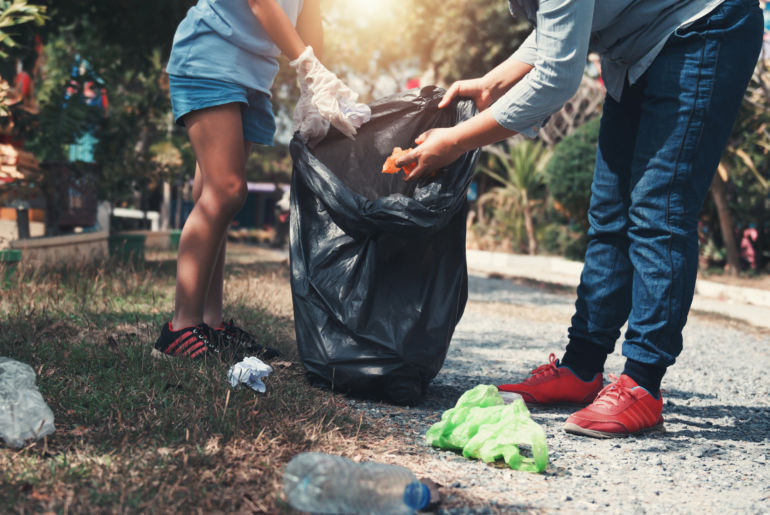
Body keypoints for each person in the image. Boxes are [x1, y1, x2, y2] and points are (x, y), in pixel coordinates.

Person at [397, 0, 763, 437]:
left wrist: (457, 140)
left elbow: (556, 76)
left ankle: (642, 383)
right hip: (637, 47)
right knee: (609, 215)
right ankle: (583, 368)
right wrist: (495, 79)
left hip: (701, 27)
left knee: (658, 210)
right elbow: (564, 27)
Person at [154, 0, 323, 361]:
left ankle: (209, 323)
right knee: (226, 191)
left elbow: (309, 12)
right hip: (209, 57)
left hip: (253, 74)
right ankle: (180, 329)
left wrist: (317, 84)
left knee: (214, 198)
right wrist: (309, 67)